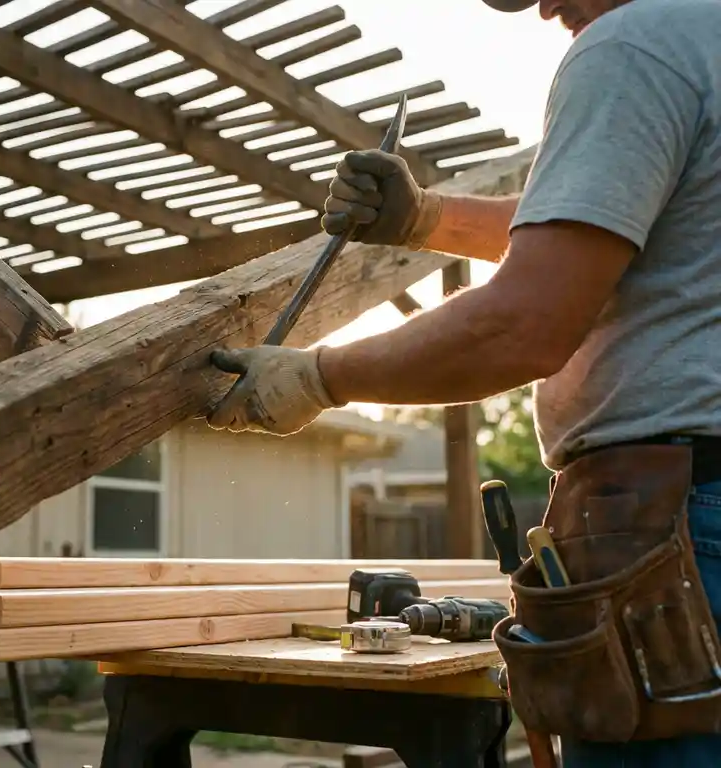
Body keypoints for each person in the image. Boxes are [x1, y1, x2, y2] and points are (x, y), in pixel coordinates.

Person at [206, 0, 721, 765]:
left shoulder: (635, 45)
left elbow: (525, 324)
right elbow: (604, 216)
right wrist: (426, 218)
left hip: (675, 528)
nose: (547, 8)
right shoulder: (702, 38)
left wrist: (317, 376)